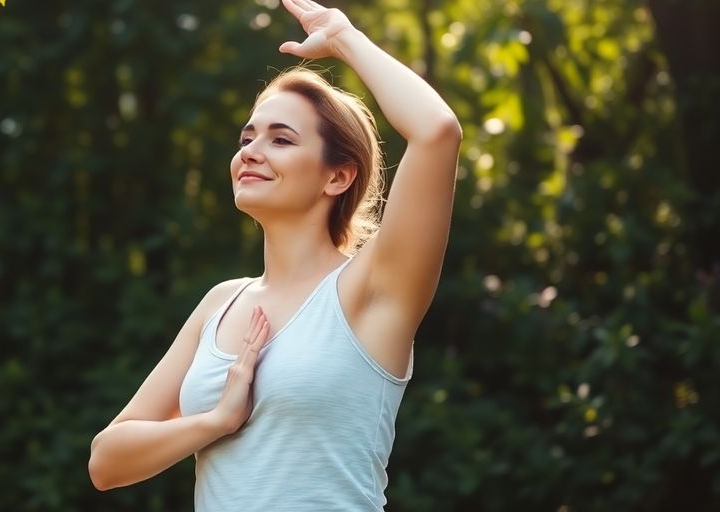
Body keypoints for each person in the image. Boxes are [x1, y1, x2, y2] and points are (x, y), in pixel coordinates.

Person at [88, 0, 461, 509]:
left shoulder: (370, 288)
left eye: (281, 139)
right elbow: (106, 462)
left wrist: (343, 37)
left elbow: (437, 132)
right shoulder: (222, 303)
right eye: (247, 137)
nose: (250, 151)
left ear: (338, 176)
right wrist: (216, 421)